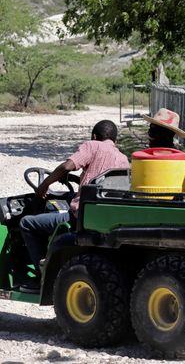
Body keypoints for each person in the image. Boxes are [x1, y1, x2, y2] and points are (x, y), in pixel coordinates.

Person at [18, 120, 129, 292]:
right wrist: (77, 179)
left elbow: (66, 166)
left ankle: (40, 277)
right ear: (115, 140)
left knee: (27, 223)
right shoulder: (123, 159)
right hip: (103, 219)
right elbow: (98, 180)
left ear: (94, 136)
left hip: (79, 217)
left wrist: (45, 185)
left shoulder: (92, 146)